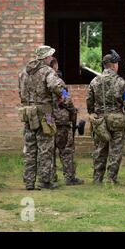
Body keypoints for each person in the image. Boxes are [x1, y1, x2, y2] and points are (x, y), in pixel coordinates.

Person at [18, 45, 70, 190]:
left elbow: (20, 92)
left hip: (28, 112)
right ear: (46, 57)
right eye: (50, 56)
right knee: (45, 147)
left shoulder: (23, 72)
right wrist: (64, 97)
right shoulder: (48, 71)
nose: (51, 58)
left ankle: (29, 182)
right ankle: (45, 181)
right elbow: (58, 87)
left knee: (30, 148)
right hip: (44, 113)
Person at [86, 50, 125, 184]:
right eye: (117, 63)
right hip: (117, 120)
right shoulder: (120, 82)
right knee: (115, 150)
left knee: (100, 149)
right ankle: (111, 179)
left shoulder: (94, 81)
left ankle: (97, 178)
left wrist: (93, 113)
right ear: (112, 65)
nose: (118, 65)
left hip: (100, 120)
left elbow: (89, 100)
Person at [49, 58, 84, 186]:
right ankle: (69, 177)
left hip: (48, 119)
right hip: (61, 120)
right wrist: (73, 110)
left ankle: (50, 176)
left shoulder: (42, 80)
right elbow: (66, 100)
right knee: (66, 149)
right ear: (55, 66)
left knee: (49, 149)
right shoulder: (58, 82)